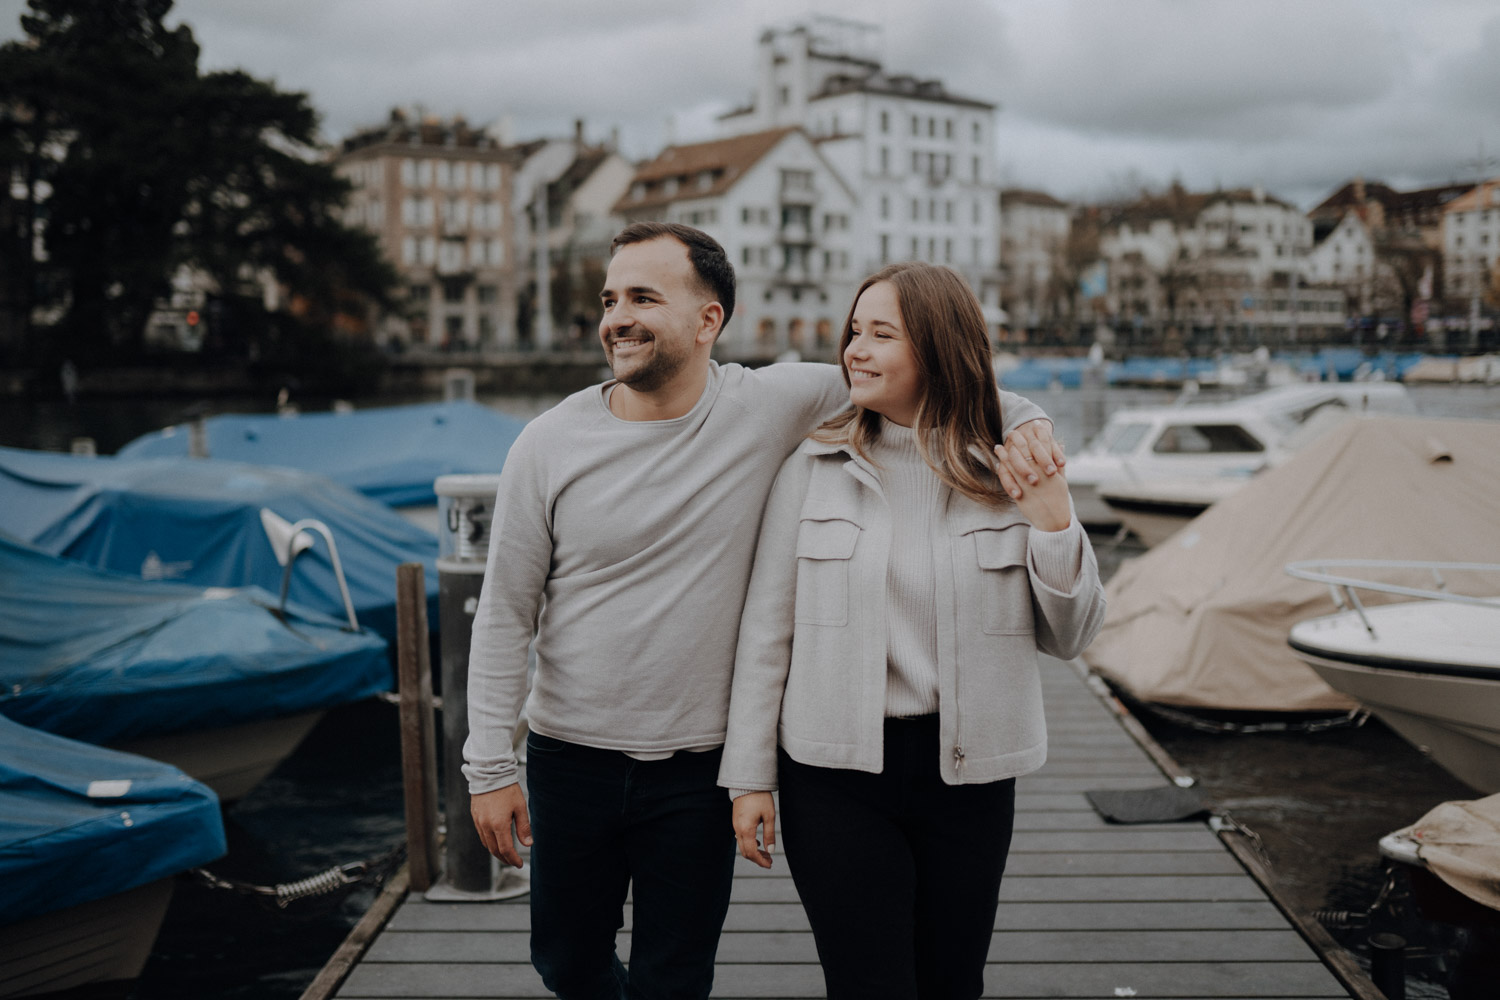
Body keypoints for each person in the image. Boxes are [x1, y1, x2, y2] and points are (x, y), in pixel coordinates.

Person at [463, 223, 1064, 1000]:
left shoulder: (773, 402)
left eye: (644, 297)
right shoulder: (545, 445)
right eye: (611, 300)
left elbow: (932, 371)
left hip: (697, 765)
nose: (616, 317)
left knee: (675, 978)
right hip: (568, 754)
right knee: (567, 962)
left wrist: (1025, 421)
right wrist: (488, 766)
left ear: (709, 320)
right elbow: (505, 614)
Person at [719, 262, 1107, 999]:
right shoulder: (812, 465)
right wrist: (748, 778)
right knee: (869, 986)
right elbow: (767, 632)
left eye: (881, 335)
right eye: (853, 333)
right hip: (833, 777)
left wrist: (1055, 521)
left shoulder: (1009, 470)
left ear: (935, 347)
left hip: (970, 776)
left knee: (953, 982)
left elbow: (1073, 635)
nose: (855, 351)